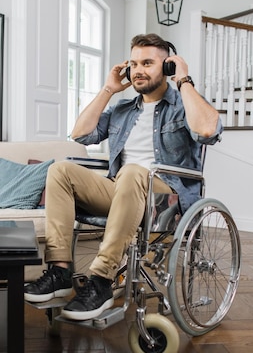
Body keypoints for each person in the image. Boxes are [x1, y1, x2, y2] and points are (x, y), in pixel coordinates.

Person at [24, 33, 223, 321]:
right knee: (60, 169)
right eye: (133, 63)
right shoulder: (122, 109)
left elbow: (208, 130)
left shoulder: (184, 103)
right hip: (122, 191)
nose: (138, 70)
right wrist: (108, 89)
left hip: (165, 200)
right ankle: (60, 271)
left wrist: (184, 81)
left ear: (167, 67)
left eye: (147, 63)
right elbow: (80, 133)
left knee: (131, 172)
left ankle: (102, 280)